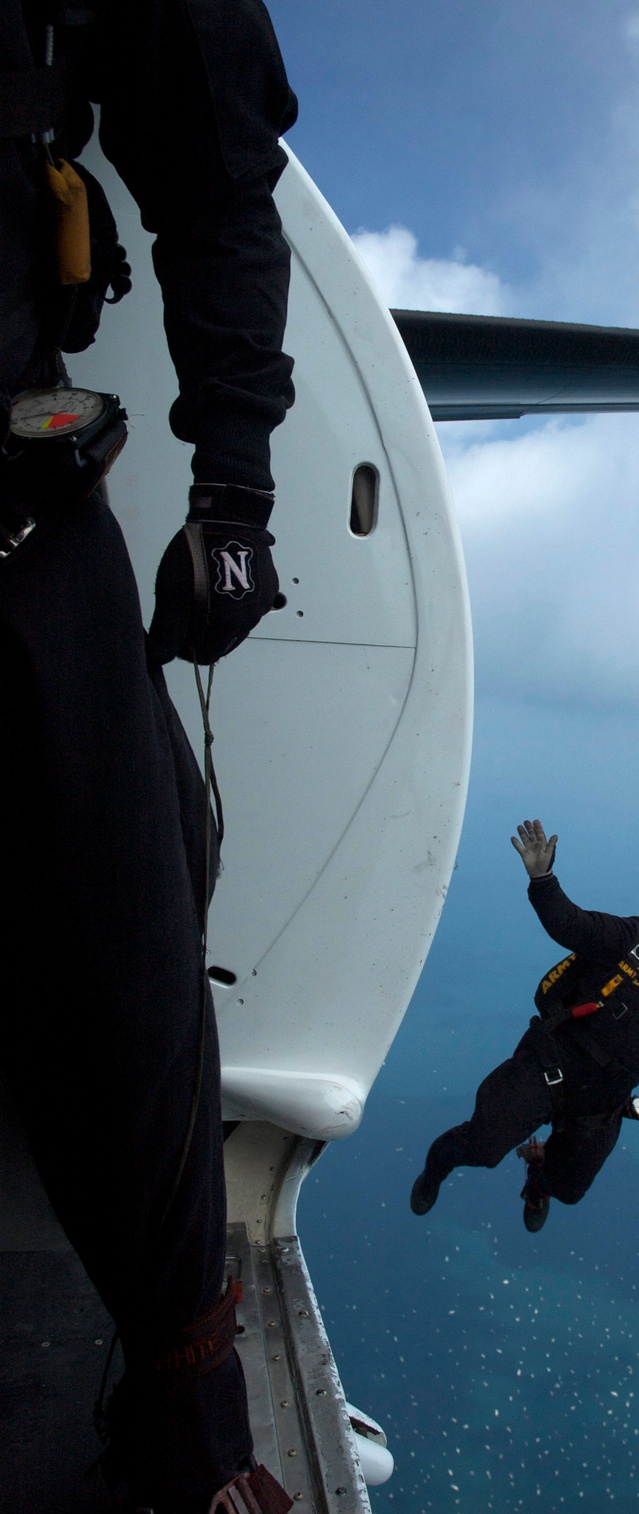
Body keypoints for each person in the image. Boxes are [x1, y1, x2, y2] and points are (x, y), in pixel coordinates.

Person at [1, 4, 297, 1511]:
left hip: (14, 520)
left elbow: (212, 173)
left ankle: (187, 1428)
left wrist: (233, 492)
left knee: (130, 942)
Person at [411, 820, 639, 1233]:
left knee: (569, 1189)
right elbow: (570, 924)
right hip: (550, 1068)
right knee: (480, 1147)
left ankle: (539, 1183)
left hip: (602, 1102)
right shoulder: (633, 941)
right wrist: (542, 878)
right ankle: (434, 1171)